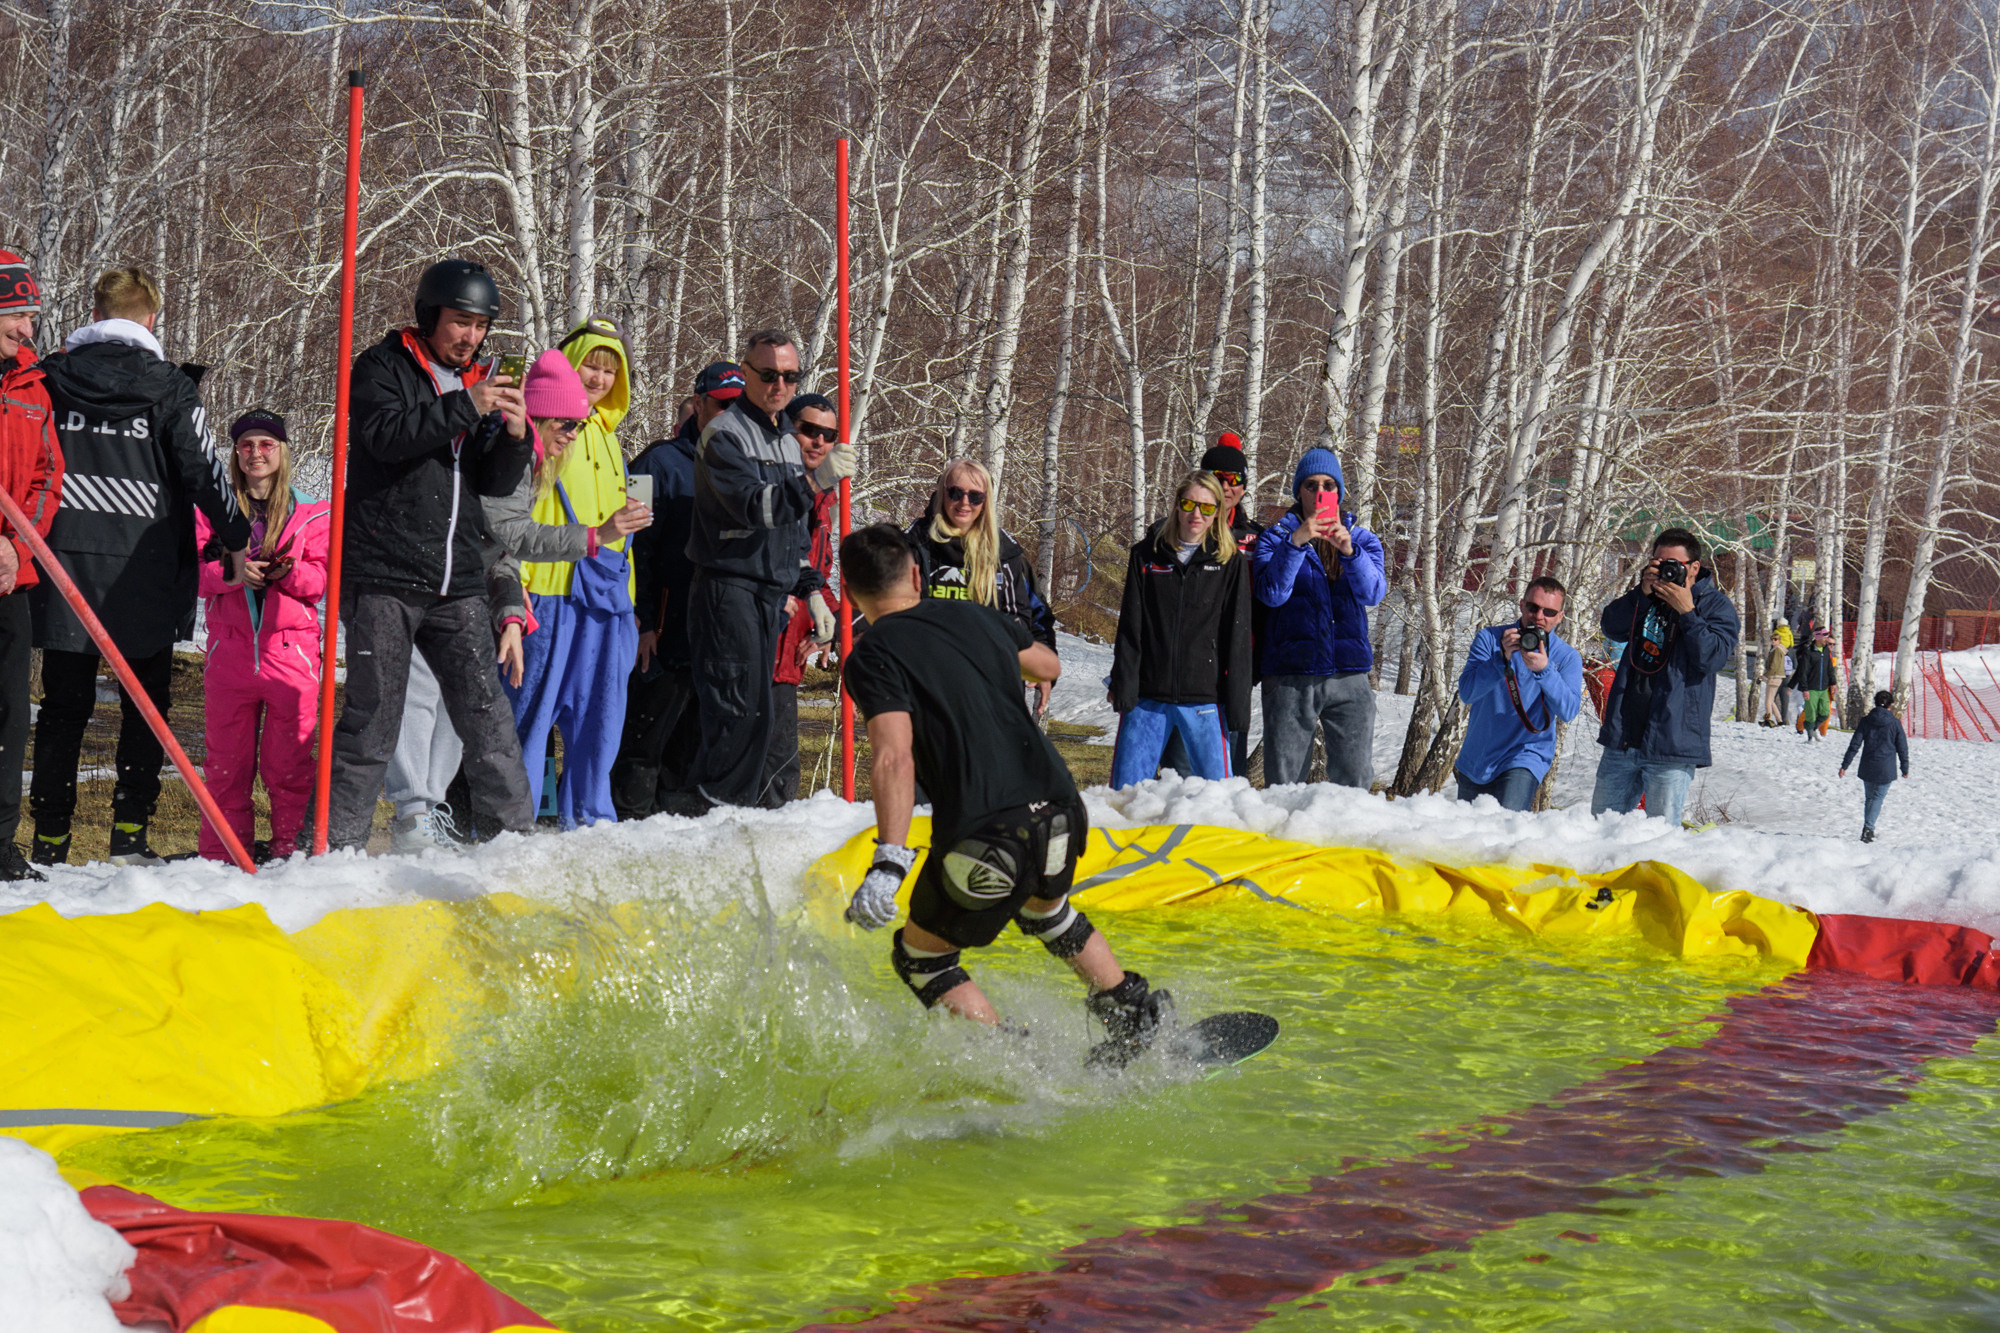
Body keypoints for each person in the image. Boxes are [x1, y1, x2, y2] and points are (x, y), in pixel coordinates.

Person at [838, 523, 1173, 1057]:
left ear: (850, 591)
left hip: (987, 828)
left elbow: (893, 756)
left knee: (921, 959)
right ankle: (1133, 1013)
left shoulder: (873, 655)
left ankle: (1016, 1065)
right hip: (1061, 809)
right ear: (917, 576)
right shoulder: (976, 614)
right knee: (1047, 911)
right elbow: (1048, 664)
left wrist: (890, 860)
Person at [30, 267, 250, 867]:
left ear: (96, 313)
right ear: (150, 319)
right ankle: (129, 836)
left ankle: (49, 840)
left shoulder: (46, 377)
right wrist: (235, 539)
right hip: (145, 573)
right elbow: (204, 469)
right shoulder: (170, 387)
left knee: (62, 707)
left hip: (61, 564)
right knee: (145, 708)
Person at [323, 258, 536, 852]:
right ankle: (338, 851)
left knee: (487, 719)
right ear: (429, 316)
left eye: (481, 327)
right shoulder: (381, 366)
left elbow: (492, 485)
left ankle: (513, 844)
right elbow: (387, 437)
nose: (471, 337)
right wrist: (469, 405)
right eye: (460, 323)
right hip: (385, 573)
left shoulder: (482, 381)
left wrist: (516, 437)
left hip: (458, 580)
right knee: (373, 721)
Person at [683, 329, 850, 812]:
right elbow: (755, 508)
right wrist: (816, 479)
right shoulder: (725, 434)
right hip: (727, 588)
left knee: (759, 722)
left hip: (769, 594)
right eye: (769, 374)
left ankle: (736, 819)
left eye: (790, 376)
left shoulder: (782, 437)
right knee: (735, 718)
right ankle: (713, 824)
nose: (779, 385)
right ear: (749, 374)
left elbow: (790, 535)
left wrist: (813, 589)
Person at [485, 348, 650, 827]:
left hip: (604, 599)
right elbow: (516, 530)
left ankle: (590, 823)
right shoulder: (529, 444)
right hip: (546, 596)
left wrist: (630, 600)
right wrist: (521, 596)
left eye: (610, 369)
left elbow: (625, 536)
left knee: (599, 724)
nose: (600, 377)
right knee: (531, 718)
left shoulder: (606, 437)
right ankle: (512, 825)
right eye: (591, 366)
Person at [193, 411, 330, 862]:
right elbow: (193, 572)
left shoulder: (312, 510)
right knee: (226, 767)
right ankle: (224, 853)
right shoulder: (213, 507)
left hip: (292, 657)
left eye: (266, 445)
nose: (256, 453)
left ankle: (291, 849)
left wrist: (287, 573)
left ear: (282, 451)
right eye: (247, 445)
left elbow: (322, 581)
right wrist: (233, 573)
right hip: (229, 656)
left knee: (289, 766)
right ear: (235, 452)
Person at [612, 362, 744, 819]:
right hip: (663, 633)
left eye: (740, 406)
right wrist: (643, 621)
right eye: (724, 404)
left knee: (692, 751)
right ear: (701, 403)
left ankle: (675, 840)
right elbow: (632, 550)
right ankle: (626, 832)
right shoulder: (658, 462)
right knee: (642, 743)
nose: (732, 414)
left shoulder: (745, 465)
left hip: (715, 635)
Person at [1251, 448, 1387, 789]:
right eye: (1311, 485)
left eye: (1329, 485)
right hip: (1290, 672)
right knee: (1284, 780)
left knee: (1355, 778)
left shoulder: (1362, 539)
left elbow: (1373, 594)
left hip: (1350, 671)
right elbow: (1271, 594)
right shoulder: (1275, 538)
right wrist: (1296, 543)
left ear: (1339, 492)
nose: (1319, 492)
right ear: (1299, 491)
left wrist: (1350, 554)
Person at [1108, 470, 1253, 787]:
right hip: (1147, 701)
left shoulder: (1230, 562)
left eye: (1206, 507)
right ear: (1176, 506)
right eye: (1188, 504)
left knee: (1220, 798)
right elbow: (1131, 630)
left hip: (1204, 702)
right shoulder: (1145, 556)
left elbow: (1238, 638)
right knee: (1124, 795)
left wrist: (1239, 705)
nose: (1196, 514)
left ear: (1218, 512)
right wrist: (1124, 686)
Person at [1589, 528, 1739, 826]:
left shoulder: (1714, 606)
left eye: (1674, 564)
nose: (1664, 570)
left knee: (1660, 836)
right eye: (1657, 562)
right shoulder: (1644, 597)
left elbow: (1711, 658)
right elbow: (1611, 627)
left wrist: (1688, 613)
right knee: (1599, 830)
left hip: (1672, 742)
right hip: (1624, 738)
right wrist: (1639, 594)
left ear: (1695, 567)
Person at [904, 458, 1058, 715]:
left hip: (993, 689)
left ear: (985, 502)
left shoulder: (1006, 554)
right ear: (943, 493)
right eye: (955, 493)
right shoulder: (912, 546)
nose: (964, 503)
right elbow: (879, 607)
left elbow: (1036, 618)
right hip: (927, 687)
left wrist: (1043, 662)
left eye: (975, 496)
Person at [0, 251, 61, 881]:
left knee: (11, 714)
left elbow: (46, 477)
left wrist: (16, 547)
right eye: (16, 315)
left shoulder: (32, 388)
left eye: (30, 315)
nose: (27, 329)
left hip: (7, 575)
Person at [760, 392, 841, 807]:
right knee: (739, 766)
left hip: (786, 656)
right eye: (808, 430)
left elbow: (814, 573)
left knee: (779, 770)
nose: (818, 442)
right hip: (748, 647)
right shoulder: (766, 483)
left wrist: (834, 623)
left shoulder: (823, 499)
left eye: (828, 435)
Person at [1453, 577, 1584, 811]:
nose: (1539, 616)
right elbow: (1467, 693)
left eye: (1549, 612)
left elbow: (1568, 710)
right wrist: (1500, 659)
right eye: (1533, 607)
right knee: (1470, 839)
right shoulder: (1491, 639)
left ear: (1560, 616)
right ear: (1522, 604)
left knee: (1506, 829)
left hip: (1527, 755)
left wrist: (1545, 671)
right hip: (1478, 757)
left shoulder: (1566, 657)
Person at [1840, 690, 1909, 843]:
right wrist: (1905, 768)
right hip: (1886, 768)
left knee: (1870, 798)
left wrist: (1845, 764)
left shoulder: (1866, 721)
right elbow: (1902, 747)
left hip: (1868, 766)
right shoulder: (1895, 723)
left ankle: (1868, 828)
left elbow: (1855, 744)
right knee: (1877, 798)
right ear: (1890, 705)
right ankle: (1868, 828)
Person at [1789, 627, 1839, 742]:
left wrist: (1833, 683)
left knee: (1825, 712)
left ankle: (1814, 729)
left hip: (1823, 687)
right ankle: (1810, 736)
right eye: (1825, 636)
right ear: (1818, 637)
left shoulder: (1826, 651)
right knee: (1811, 714)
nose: (1826, 639)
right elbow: (1803, 671)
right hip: (1811, 688)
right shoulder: (1809, 651)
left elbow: (1829, 668)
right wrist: (1804, 689)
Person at [1758, 621, 1791, 727]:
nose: (1773, 641)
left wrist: (1765, 676)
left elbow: (1774, 665)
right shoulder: (1780, 650)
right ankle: (1780, 720)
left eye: (1775, 639)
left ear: (1779, 641)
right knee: (1771, 700)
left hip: (1774, 676)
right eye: (1772, 639)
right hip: (1778, 677)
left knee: (1767, 700)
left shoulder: (1776, 651)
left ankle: (1769, 719)